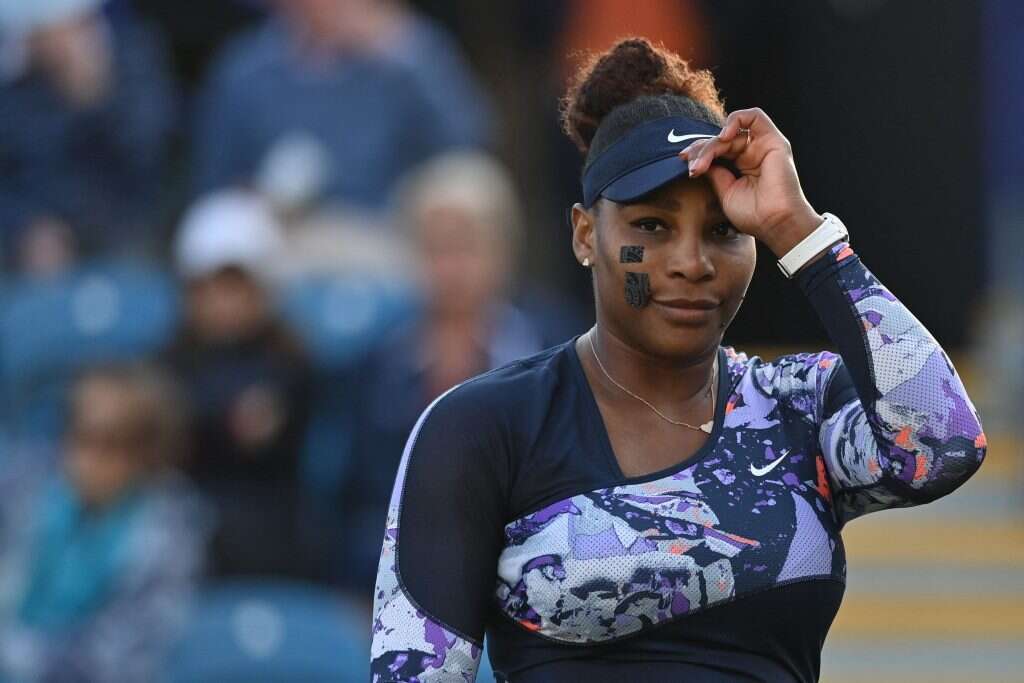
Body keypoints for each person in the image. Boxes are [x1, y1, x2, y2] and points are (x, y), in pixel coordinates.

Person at [368, 38, 987, 682]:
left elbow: (943, 444)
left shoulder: (798, 407)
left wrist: (801, 232)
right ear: (586, 234)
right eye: (652, 227)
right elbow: (416, 670)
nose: (691, 263)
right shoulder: (483, 427)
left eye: (723, 231)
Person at [340, 151, 561, 598]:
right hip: (400, 583)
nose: (449, 267)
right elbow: (357, 502)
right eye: (434, 248)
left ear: (502, 250)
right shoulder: (377, 363)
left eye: (465, 246)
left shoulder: (555, 351)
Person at [0, 363, 207, 683]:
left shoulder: (169, 534)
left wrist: (16, 656)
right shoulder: (25, 488)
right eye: (80, 437)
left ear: (146, 452)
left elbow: (117, 658)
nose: (88, 460)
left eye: (111, 445)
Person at [192, 0, 490, 213]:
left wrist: (404, 47)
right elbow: (212, 181)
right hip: (272, 238)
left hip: (380, 235)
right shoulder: (246, 70)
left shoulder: (402, 58)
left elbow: (467, 141)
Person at [165, 190, 318, 580]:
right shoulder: (167, 360)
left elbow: (258, 432)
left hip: (271, 531)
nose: (221, 303)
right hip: (181, 524)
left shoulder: (292, 362)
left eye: (235, 286)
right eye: (208, 287)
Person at [0, 0, 176, 273]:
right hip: (38, 241)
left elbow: (149, 161)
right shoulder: (14, 85)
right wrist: (25, 224)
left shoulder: (134, 57)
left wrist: (92, 96)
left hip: (129, 227)